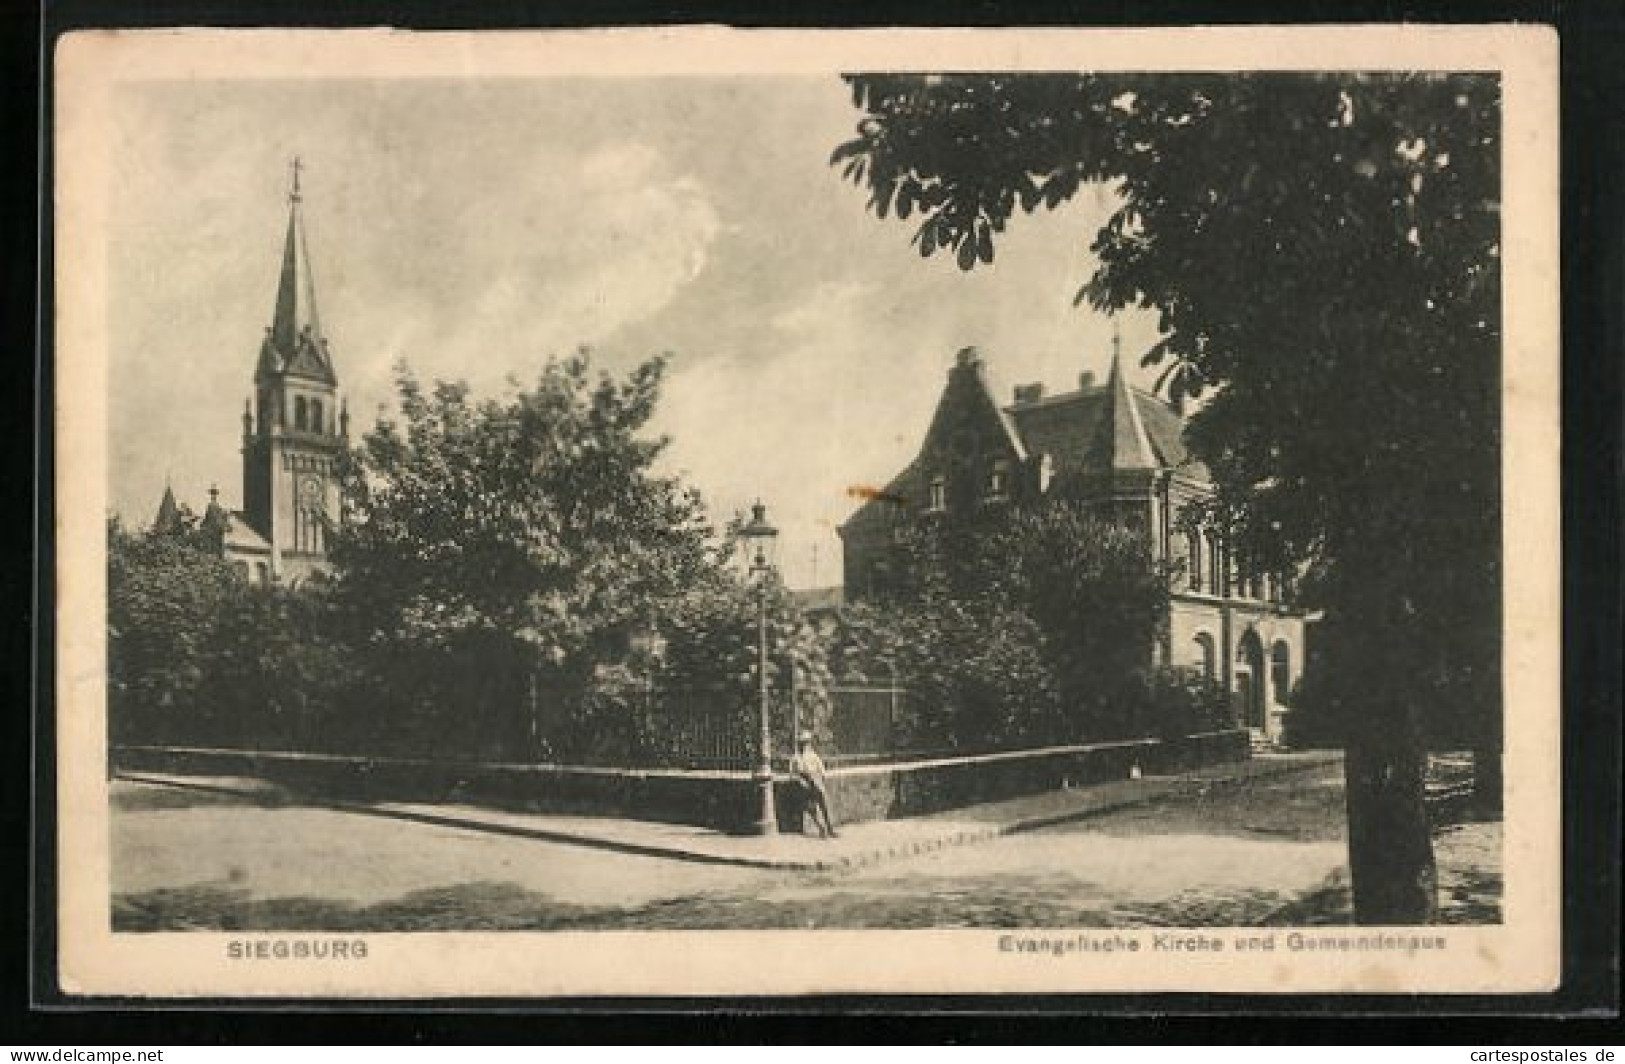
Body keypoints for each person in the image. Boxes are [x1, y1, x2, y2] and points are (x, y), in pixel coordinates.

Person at [789, 730, 838, 839]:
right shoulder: (795, 758)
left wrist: (820, 781)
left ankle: (830, 828)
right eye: (801, 743)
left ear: (809, 744)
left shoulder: (814, 756)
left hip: (815, 780)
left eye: (806, 743)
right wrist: (800, 780)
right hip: (803, 782)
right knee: (808, 805)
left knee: (823, 801)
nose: (804, 746)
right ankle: (821, 828)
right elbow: (792, 774)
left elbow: (822, 771)